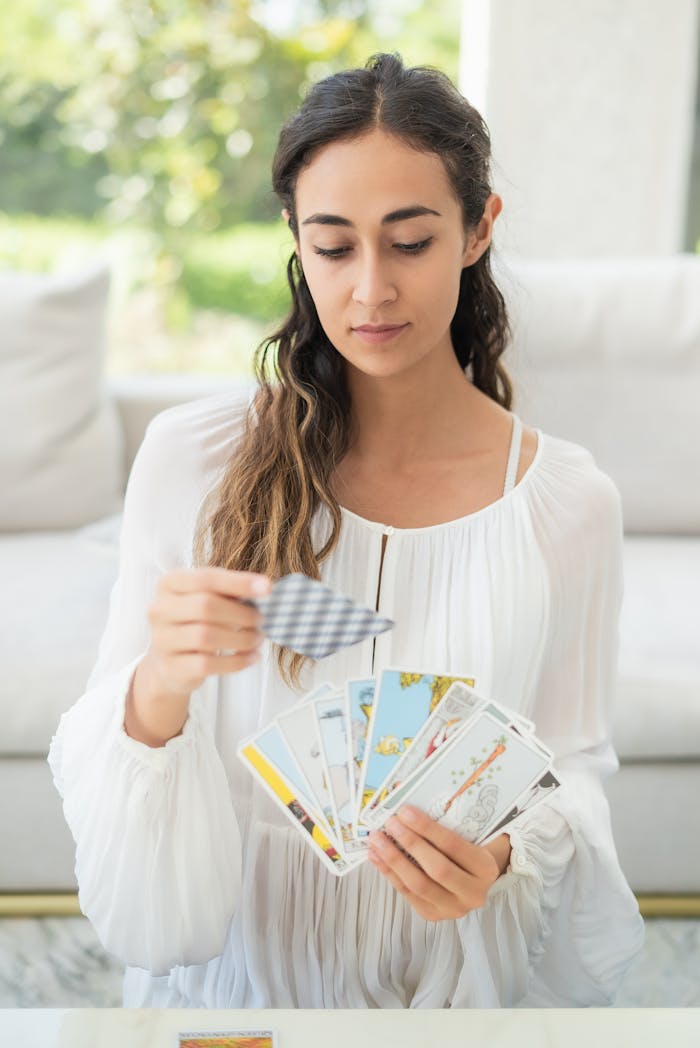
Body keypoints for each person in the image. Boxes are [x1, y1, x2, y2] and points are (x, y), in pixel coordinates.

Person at [48, 52, 644, 1007]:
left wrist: (501, 857)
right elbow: (104, 752)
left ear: (478, 230)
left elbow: (569, 771)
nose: (370, 291)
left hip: (445, 993)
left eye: (409, 243)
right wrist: (160, 680)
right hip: (238, 987)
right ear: (294, 237)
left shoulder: (567, 502)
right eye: (333, 246)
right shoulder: (190, 461)